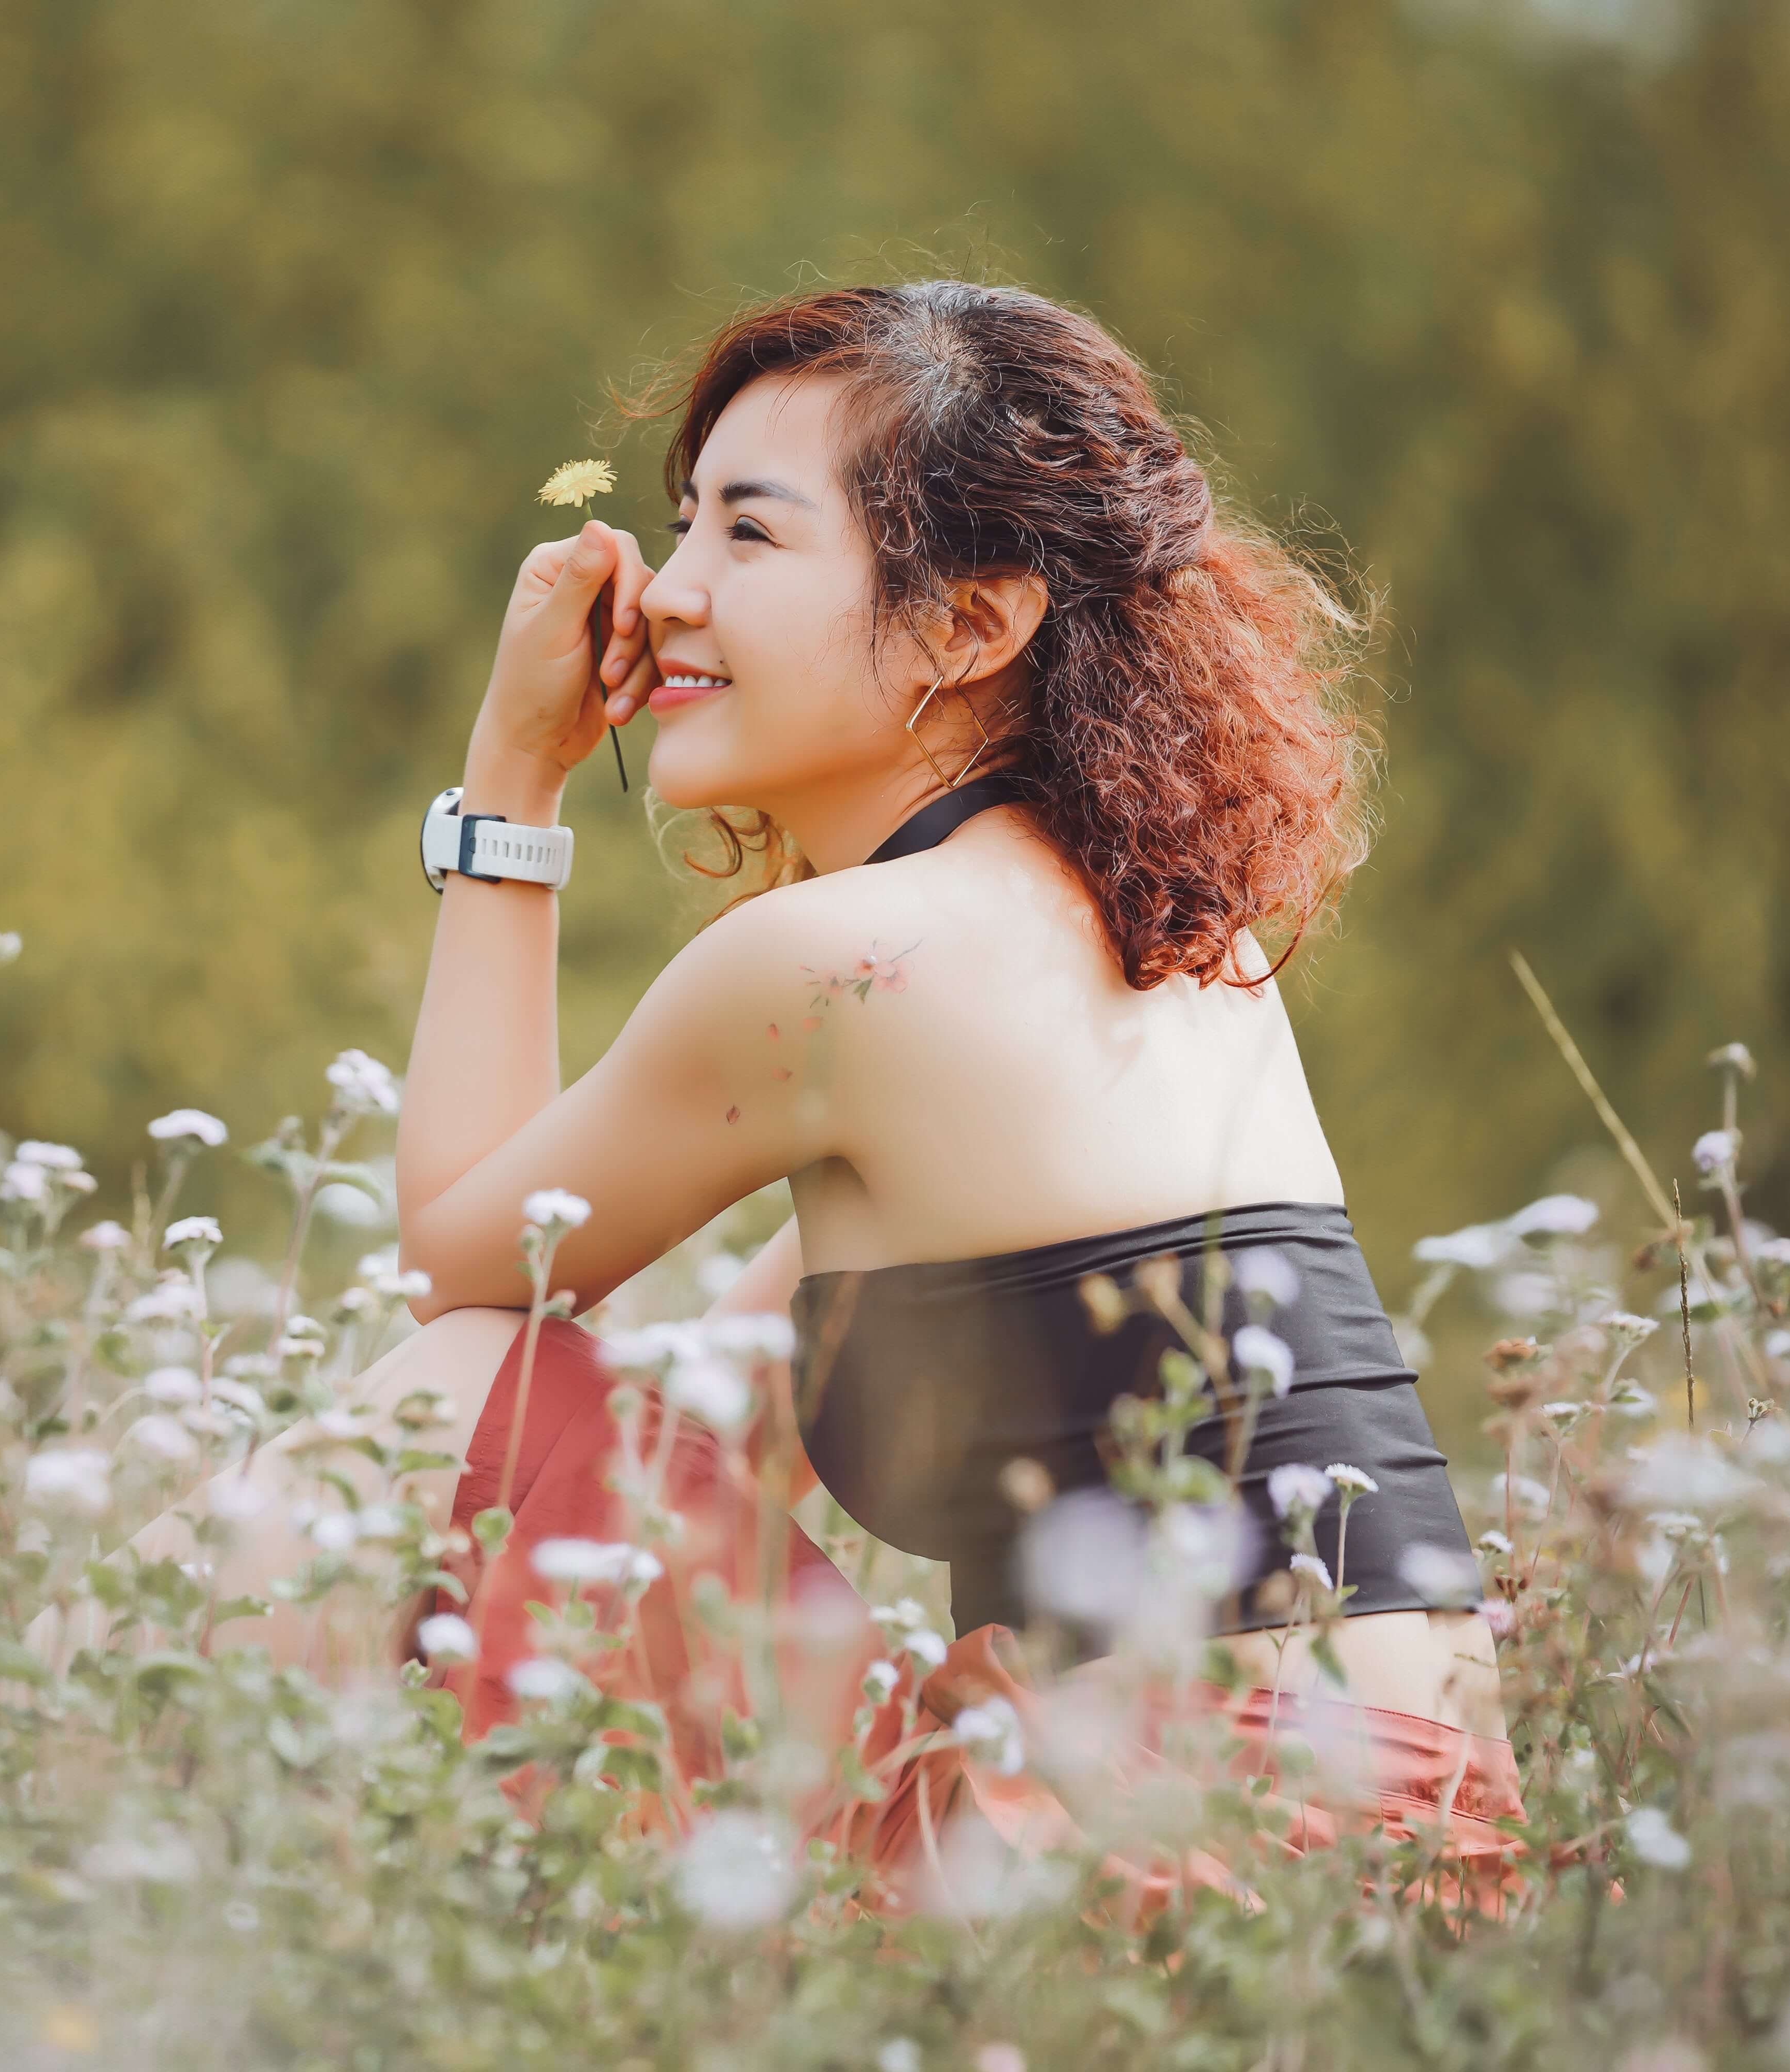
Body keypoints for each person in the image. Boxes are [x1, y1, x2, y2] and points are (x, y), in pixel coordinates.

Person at [114, 280, 1519, 1904]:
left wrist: (511, 781)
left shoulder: (850, 962)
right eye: (682, 520)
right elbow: (690, 1441)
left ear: (970, 628)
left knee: (458, 1387)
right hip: (1416, 1866)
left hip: (1174, 1870)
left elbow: (466, 1271)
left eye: (752, 537)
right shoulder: (1163, 935)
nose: (669, 595)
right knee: (521, 1431)